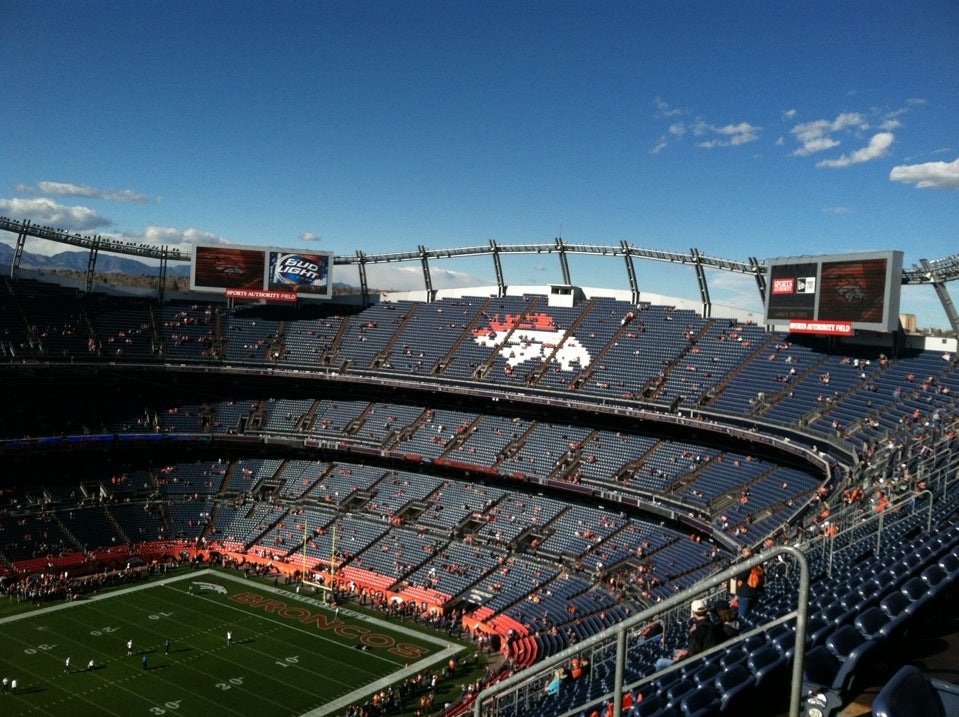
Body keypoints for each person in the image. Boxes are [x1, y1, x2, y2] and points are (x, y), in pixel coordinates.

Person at [654, 599, 722, 671]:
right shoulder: (713, 625)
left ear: (693, 612)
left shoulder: (699, 631)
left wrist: (680, 658)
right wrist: (686, 652)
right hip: (708, 659)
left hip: (696, 666)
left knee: (660, 662)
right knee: (678, 651)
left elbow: (692, 656)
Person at [734, 547, 765, 620]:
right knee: (753, 616)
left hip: (746, 592)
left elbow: (742, 576)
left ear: (744, 552)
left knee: (742, 617)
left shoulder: (746, 561)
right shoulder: (758, 559)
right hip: (757, 591)